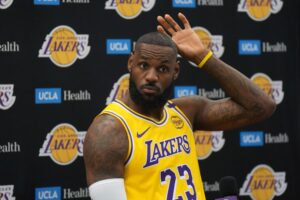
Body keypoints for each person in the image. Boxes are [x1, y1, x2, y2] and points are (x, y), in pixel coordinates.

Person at [83, 13, 276, 200]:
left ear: (175, 71)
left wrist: (203, 57)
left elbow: (261, 106)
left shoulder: (185, 112)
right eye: (143, 65)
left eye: (163, 69)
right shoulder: (108, 130)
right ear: (130, 63)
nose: (151, 76)